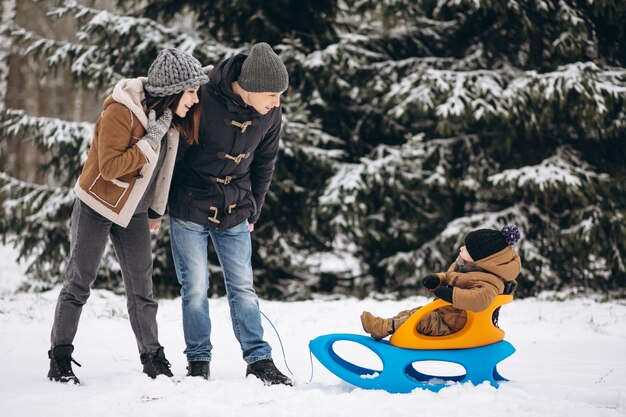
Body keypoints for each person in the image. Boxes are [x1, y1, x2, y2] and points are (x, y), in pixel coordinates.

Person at [47, 48, 209, 384]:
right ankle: (59, 357)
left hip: (134, 211)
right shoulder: (121, 112)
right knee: (80, 281)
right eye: (191, 91)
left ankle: (152, 356)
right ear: (173, 91)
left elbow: (163, 171)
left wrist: (154, 210)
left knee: (142, 289)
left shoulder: (169, 120)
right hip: (97, 203)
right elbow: (108, 168)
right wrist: (149, 141)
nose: (195, 99)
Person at [167, 42, 292, 385]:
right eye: (271, 94)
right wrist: (157, 204)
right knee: (194, 287)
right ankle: (198, 361)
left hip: (236, 207)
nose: (277, 102)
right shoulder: (202, 95)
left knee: (244, 287)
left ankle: (259, 360)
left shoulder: (269, 114)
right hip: (191, 203)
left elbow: (265, 163)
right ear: (249, 86)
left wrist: (255, 210)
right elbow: (173, 152)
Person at [361, 224, 522, 340]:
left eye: (466, 248)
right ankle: (386, 326)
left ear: (481, 259)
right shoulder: (471, 269)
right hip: (445, 316)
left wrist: (451, 295)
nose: (461, 248)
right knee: (412, 313)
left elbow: (480, 299)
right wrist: (439, 278)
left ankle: (381, 328)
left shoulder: (490, 281)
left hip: (455, 326)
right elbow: (453, 277)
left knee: (420, 320)